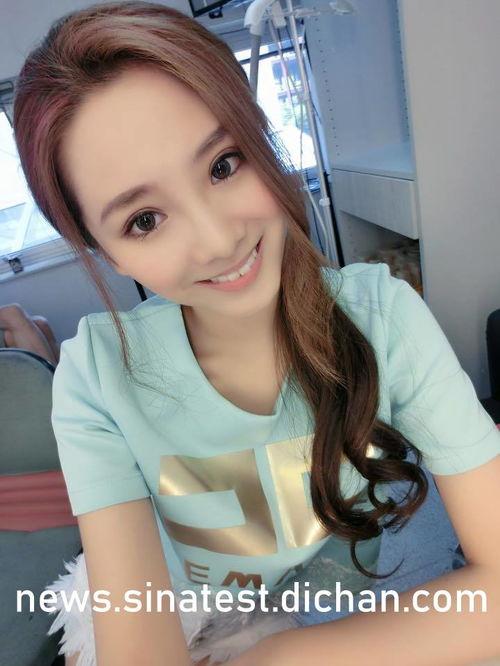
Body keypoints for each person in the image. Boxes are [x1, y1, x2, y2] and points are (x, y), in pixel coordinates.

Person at [11, 2, 500, 665]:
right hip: (188, 610)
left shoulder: (382, 317)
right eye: (145, 220)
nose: (218, 240)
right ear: (107, 253)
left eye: (223, 164)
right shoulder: (98, 378)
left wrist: (276, 656)